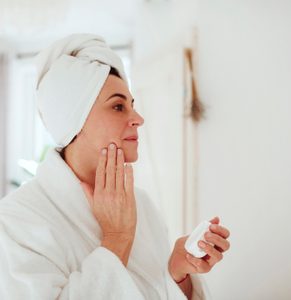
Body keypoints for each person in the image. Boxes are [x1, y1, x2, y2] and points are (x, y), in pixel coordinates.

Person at [0, 34, 230, 300]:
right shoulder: (15, 221)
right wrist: (116, 238)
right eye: (118, 106)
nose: (138, 118)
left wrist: (178, 273)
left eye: (132, 105)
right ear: (75, 122)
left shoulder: (140, 204)